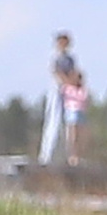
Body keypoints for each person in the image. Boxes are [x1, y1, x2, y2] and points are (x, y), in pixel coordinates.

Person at [37, 33, 72, 165]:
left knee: (67, 124)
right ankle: (46, 155)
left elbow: (73, 73)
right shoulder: (55, 57)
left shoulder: (70, 59)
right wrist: (66, 82)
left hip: (67, 93)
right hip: (56, 92)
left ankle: (65, 156)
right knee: (53, 120)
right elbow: (56, 73)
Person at [57, 64, 87, 167]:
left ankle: (77, 155)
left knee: (79, 136)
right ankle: (72, 156)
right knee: (72, 135)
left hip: (80, 112)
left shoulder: (81, 90)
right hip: (72, 112)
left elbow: (84, 99)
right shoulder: (67, 88)